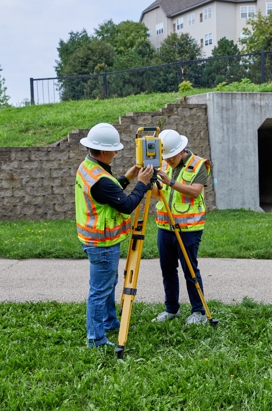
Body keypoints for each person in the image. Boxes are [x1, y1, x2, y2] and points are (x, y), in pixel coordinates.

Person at [75, 122, 153, 348]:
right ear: (102, 151)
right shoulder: (100, 179)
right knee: (100, 291)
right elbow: (126, 205)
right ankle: (96, 339)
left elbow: (107, 193)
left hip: (94, 238)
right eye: (113, 149)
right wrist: (142, 184)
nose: (117, 152)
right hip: (102, 242)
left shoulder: (88, 167)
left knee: (107, 284)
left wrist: (127, 178)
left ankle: (109, 322)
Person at [152, 129, 211, 325]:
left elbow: (195, 192)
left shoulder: (199, 165)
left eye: (170, 157)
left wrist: (171, 182)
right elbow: (156, 195)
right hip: (165, 226)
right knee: (167, 269)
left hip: (189, 229)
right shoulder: (163, 164)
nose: (168, 161)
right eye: (165, 158)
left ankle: (199, 312)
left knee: (190, 270)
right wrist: (148, 181)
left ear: (182, 150)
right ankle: (171, 309)